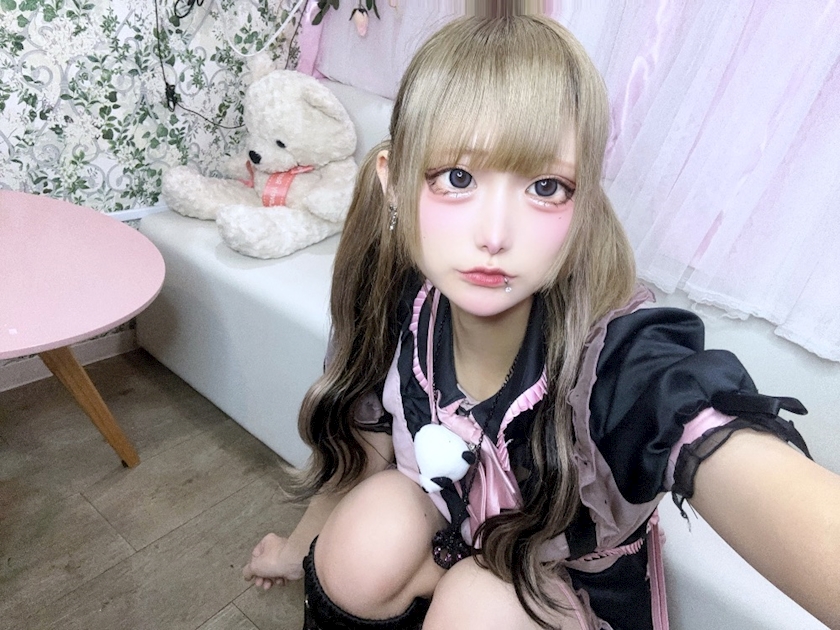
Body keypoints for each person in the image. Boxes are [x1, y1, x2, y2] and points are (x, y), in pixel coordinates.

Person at [242, 15, 840, 630]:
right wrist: (297, 550)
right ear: (393, 185)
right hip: (451, 535)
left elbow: (703, 432)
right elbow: (363, 450)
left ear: (583, 205)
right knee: (365, 539)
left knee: (477, 606)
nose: (496, 234)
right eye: (456, 178)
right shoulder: (403, 304)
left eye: (546, 187)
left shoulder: (614, 361)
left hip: (565, 596)